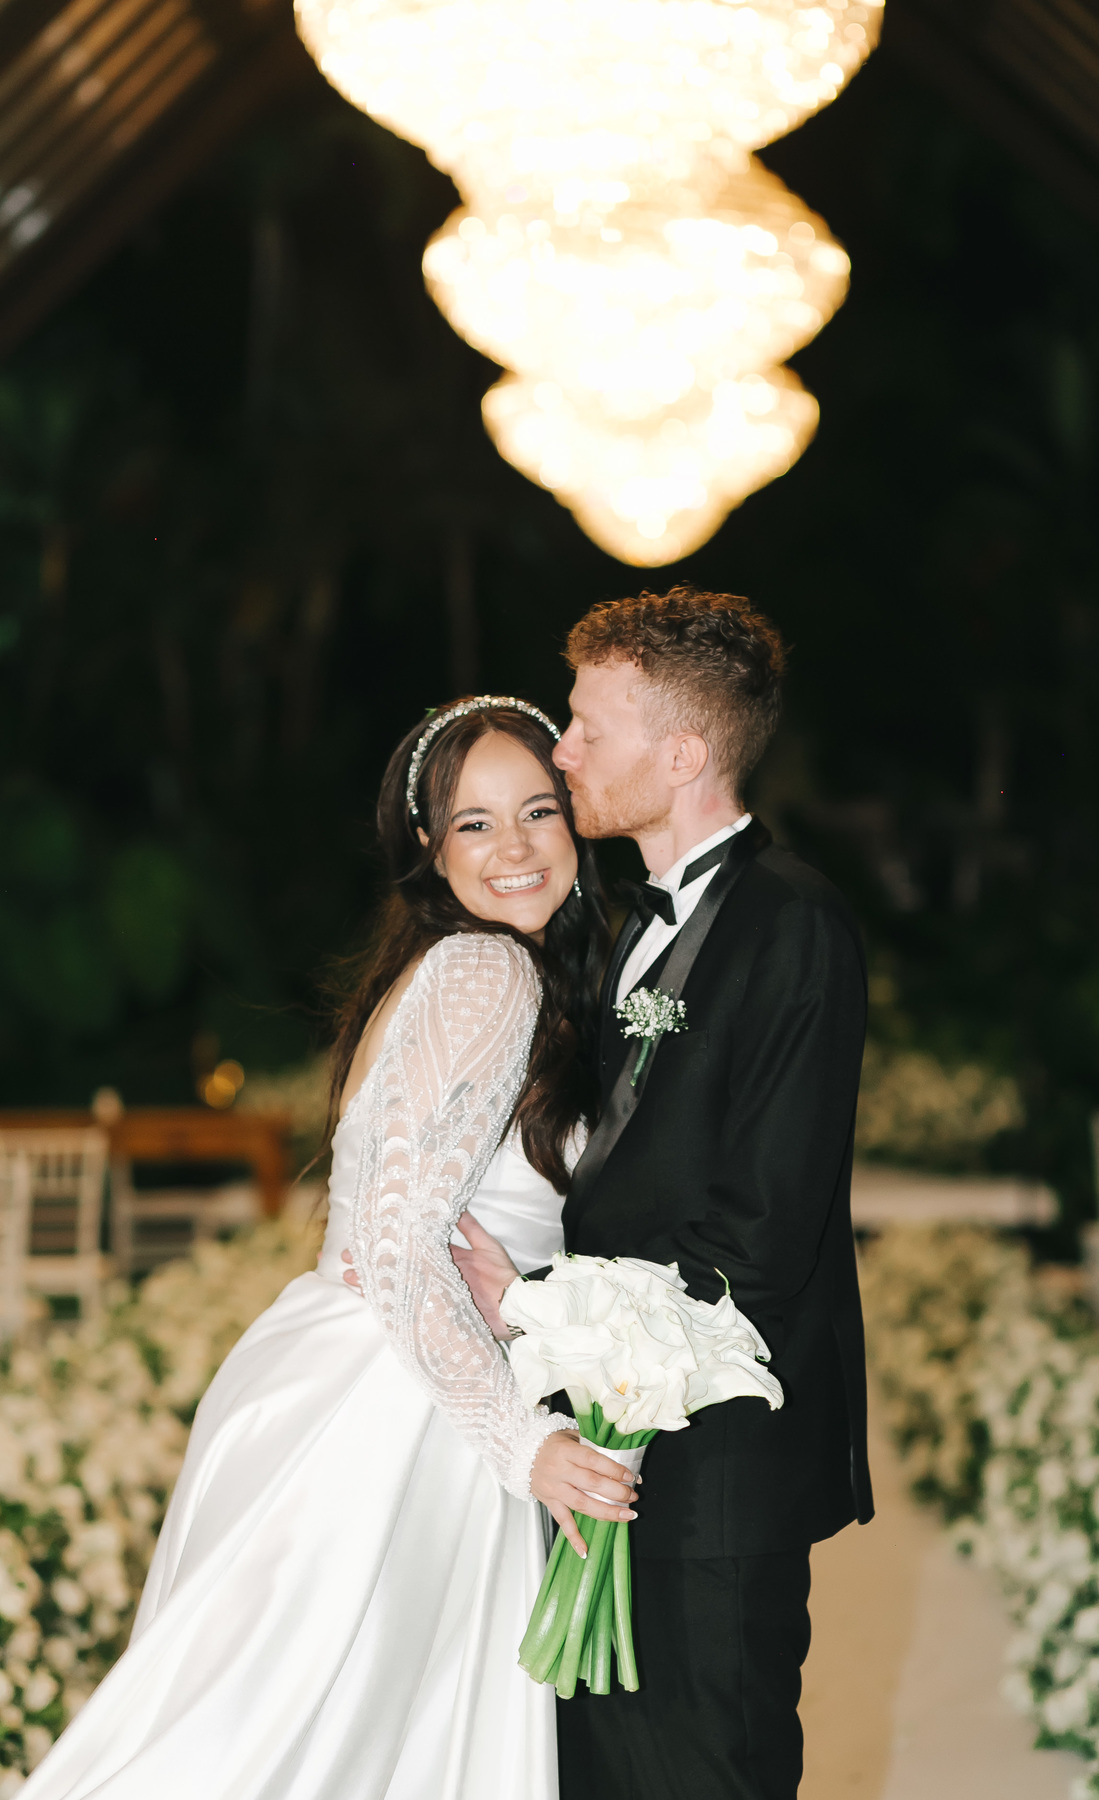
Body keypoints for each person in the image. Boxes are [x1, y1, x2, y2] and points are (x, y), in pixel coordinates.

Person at [22, 698, 637, 1800]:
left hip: (362, 1376)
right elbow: (396, 1249)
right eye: (475, 824)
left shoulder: (463, 969)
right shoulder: (487, 974)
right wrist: (524, 1443)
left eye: (537, 811)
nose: (515, 846)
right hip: (396, 1416)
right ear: (430, 849)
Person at [453, 590, 874, 1800]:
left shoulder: (793, 925)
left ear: (683, 755)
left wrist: (537, 1303)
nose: (564, 750)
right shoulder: (608, 923)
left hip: (719, 1469)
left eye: (589, 727)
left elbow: (760, 1240)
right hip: (603, 1448)